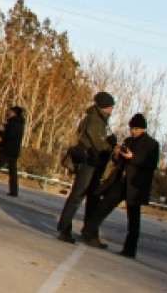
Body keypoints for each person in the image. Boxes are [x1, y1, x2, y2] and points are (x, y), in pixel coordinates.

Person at [79, 113, 160, 257]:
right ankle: (87, 232)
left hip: (135, 186)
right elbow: (119, 162)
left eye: (136, 129)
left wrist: (133, 157)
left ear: (143, 129)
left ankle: (129, 250)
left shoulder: (152, 144)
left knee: (133, 219)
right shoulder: (128, 141)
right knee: (102, 207)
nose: (133, 132)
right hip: (120, 181)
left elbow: (151, 164)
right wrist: (116, 155)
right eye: (132, 129)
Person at [56, 91, 115, 243]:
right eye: (110, 106)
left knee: (92, 196)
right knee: (78, 195)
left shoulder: (99, 119)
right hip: (89, 162)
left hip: (94, 162)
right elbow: (99, 144)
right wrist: (110, 146)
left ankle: (89, 232)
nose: (112, 109)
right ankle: (65, 228)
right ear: (104, 107)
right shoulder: (95, 120)